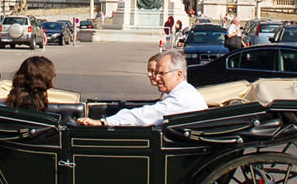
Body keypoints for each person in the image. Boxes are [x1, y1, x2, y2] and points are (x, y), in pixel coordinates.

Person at [77, 50, 206, 127]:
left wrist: (104, 122)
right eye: (156, 73)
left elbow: (147, 115)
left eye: (162, 73)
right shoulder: (183, 93)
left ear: (178, 74)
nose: (156, 77)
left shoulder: (182, 98)